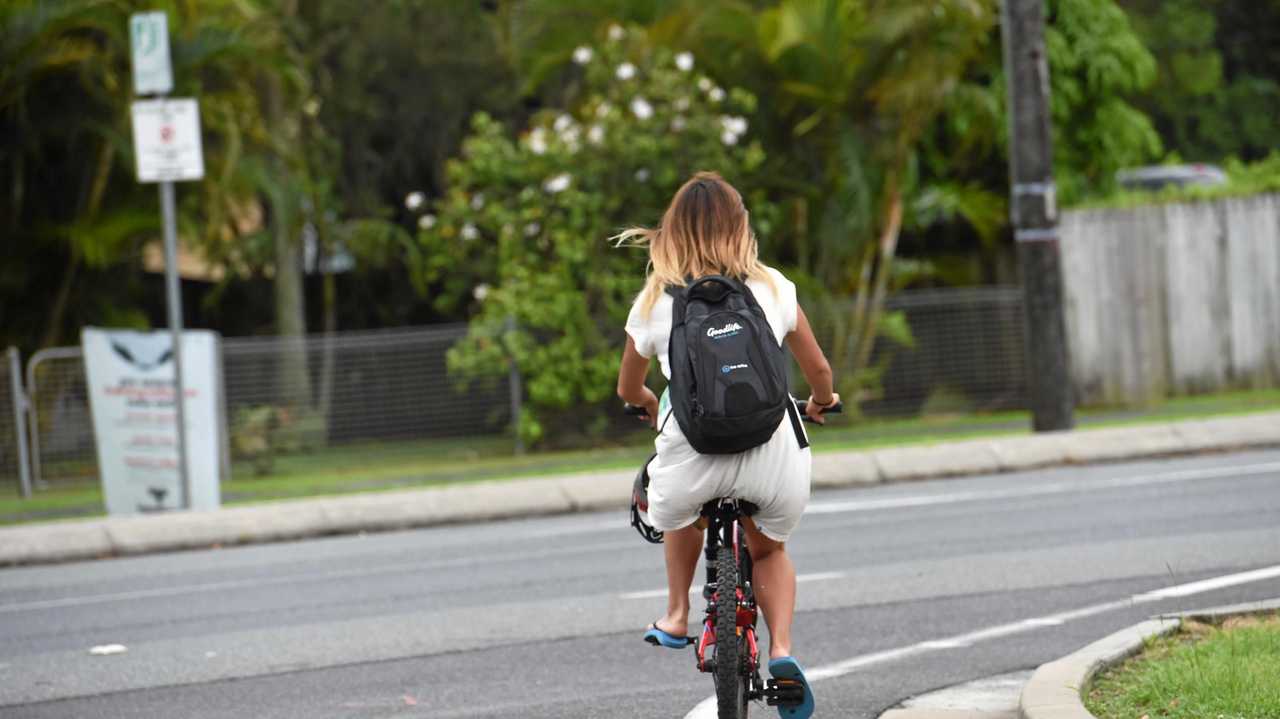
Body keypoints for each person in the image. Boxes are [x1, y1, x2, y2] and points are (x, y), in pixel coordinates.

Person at [615, 171, 837, 719]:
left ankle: (673, 614)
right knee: (769, 550)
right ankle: (782, 649)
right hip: (772, 457)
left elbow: (627, 386)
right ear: (741, 227)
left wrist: (646, 403)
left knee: (680, 514)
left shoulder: (655, 301)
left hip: (694, 458)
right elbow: (819, 370)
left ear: (671, 232)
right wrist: (822, 402)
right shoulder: (773, 287)